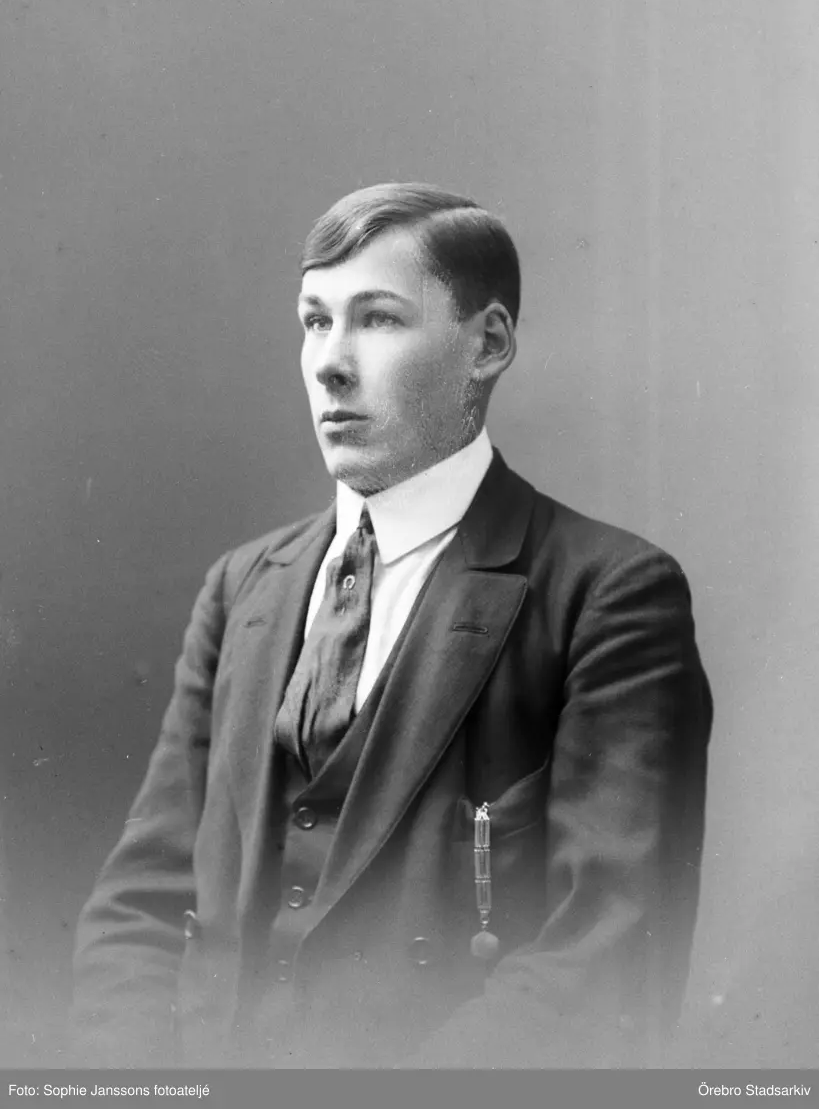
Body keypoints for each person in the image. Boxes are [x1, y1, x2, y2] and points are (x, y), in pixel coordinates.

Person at [71, 183, 712, 1069]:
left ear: (487, 344)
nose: (330, 364)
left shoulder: (605, 594)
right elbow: (140, 906)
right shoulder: (242, 588)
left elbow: (605, 961)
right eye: (314, 321)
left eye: (376, 319)